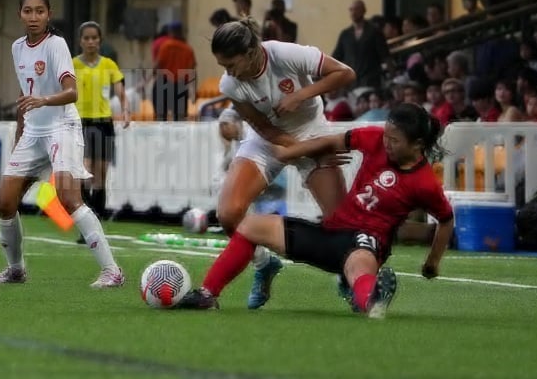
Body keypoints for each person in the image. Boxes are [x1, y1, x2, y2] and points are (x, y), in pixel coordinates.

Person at [178, 103, 455, 319]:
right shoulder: (375, 139)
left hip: (368, 242)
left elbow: (446, 219)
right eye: (386, 136)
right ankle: (207, 294)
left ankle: (372, 300)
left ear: (417, 145)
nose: (386, 143)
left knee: (359, 264)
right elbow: (332, 142)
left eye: (394, 141)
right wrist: (293, 152)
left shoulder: (425, 183)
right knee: (248, 226)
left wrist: (433, 262)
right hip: (331, 233)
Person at [207, 18, 356, 309]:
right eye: (223, 66)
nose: (228, 73)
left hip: (312, 130)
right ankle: (264, 264)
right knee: (228, 213)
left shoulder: (285, 54)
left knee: (341, 223)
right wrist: (303, 151)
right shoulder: (231, 84)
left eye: (231, 64)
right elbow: (264, 128)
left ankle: (347, 275)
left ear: (251, 52)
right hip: (267, 140)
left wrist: (301, 95)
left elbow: (345, 73)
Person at [0, 0, 124, 288]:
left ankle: (112, 271)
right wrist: (20, 135)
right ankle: (16, 270)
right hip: (33, 131)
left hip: (62, 126)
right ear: (20, 14)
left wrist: (44, 100)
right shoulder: (17, 47)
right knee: (5, 203)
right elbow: (25, 95)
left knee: (68, 198)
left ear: (48, 15)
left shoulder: (56, 44)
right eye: (27, 11)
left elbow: (71, 92)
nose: (33, 17)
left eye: (39, 11)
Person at [73, 21, 130, 242]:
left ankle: (96, 224)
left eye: (94, 38)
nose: (90, 42)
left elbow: (120, 90)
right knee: (85, 172)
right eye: (86, 38)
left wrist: (125, 110)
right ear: (80, 41)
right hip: (81, 123)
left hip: (103, 123)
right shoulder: (73, 65)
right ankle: (85, 226)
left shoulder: (108, 65)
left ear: (100, 41)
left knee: (101, 175)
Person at [152, 21, 196, 121]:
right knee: (179, 120)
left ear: (171, 32)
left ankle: (161, 136)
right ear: (181, 32)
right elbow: (192, 69)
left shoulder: (166, 46)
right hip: (180, 87)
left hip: (163, 84)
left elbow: (157, 65)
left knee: (160, 118)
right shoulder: (188, 49)